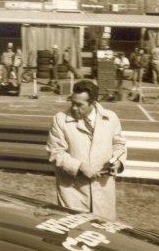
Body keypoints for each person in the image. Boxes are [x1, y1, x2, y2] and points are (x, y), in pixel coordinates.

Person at [46, 80, 127, 221]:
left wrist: (118, 161)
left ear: (93, 103)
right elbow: (55, 152)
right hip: (73, 191)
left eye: (79, 105)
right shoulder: (60, 120)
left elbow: (119, 144)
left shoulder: (111, 118)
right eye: (72, 102)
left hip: (103, 190)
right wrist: (80, 167)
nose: (74, 108)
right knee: (73, 234)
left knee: (103, 235)